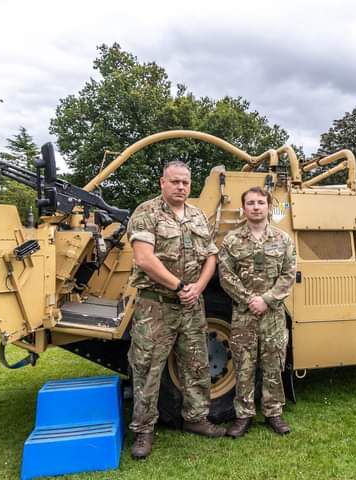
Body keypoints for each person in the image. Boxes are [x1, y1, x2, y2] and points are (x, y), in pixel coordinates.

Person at [126, 160, 226, 460]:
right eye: (175, 181)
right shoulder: (146, 212)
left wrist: (198, 287)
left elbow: (211, 256)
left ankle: (196, 419)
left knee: (196, 364)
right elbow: (144, 258)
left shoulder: (197, 215)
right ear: (162, 182)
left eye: (185, 182)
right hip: (156, 305)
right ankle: (143, 431)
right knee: (147, 368)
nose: (181, 187)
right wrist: (180, 286)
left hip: (192, 304)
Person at [218, 186, 297, 438]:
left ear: (268, 206)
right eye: (250, 202)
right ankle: (243, 415)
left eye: (260, 202)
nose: (255, 207)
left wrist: (266, 299)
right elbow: (225, 275)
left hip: (272, 314)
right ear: (244, 208)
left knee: (274, 363)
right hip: (243, 314)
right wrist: (249, 299)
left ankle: (273, 413)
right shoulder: (232, 240)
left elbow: (288, 275)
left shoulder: (283, 240)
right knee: (243, 365)